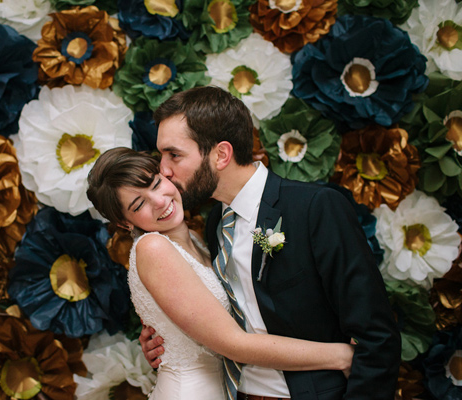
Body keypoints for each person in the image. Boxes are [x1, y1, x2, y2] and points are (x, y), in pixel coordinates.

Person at [138, 86, 401, 400]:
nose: (164, 170)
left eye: (174, 155)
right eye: (162, 155)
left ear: (221, 154)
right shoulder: (216, 222)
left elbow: (377, 337)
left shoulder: (314, 208)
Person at [86, 147, 355, 400]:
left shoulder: (202, 236)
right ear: (124, 222)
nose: (159, 201)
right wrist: (340, 354)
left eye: (156, 184)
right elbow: (231, 343)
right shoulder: (153, 248)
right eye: (138, 205)